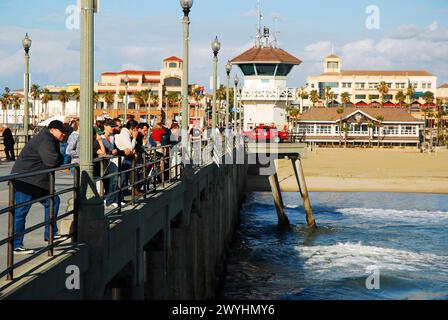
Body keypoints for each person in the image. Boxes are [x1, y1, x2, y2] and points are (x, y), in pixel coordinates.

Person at [10, 120, 67, 254]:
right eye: (62, 132)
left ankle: (50, 234)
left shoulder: (50, 139)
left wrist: (59, 158)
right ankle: (16, 245)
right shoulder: (46, 140)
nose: (63, 135)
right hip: (25, 180)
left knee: (54, 200)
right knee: (21, 212)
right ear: (52, 130)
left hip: (36, 180)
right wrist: (60, 158)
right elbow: (52, 161)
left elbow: (55, 159)